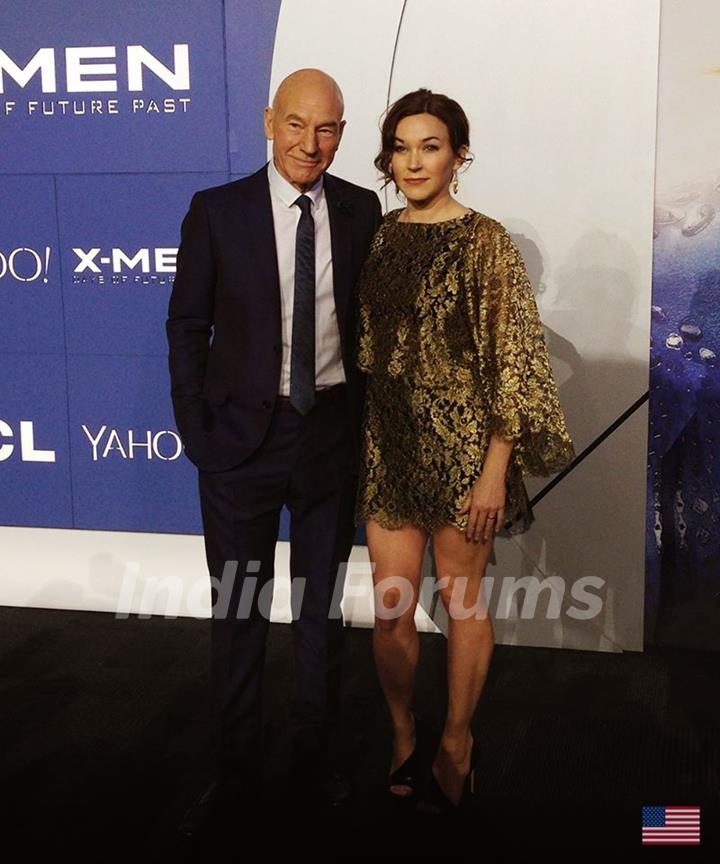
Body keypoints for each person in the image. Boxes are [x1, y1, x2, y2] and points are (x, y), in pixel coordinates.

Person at [166, 68, 382, 822]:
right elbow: (188, 325)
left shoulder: (361, 211)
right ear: (269, 123)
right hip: (237, 445)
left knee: (318, 614)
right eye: (296, 124)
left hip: (327, 437)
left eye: (325, 129)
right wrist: (197, 429)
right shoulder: (216, 211)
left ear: (342, 135)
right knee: (239, 613)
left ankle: (312, 762)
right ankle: (236, 770)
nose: (309, 143)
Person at [355, 88, 575, 813]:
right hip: (390, 446)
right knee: (391, 608)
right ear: (387, 157)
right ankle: (401, 732)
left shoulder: (487, 242)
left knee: (461, 602)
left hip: (463, 456)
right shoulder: (383, 236)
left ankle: (456, 738)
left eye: (431, 146)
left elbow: (513, 360)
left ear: (459, 155)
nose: (414, 160)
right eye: (402, 146)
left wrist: (494, 473)